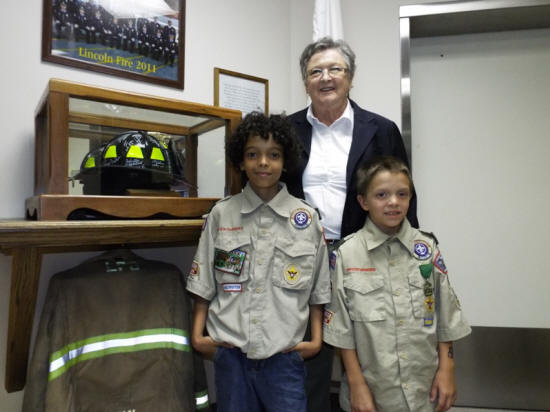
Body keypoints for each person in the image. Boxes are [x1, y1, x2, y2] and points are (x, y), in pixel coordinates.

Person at [285, 36, 419, 412]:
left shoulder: (381, 129)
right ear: (305, 81)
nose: (326, 77)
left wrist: (410, 256)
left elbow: (403, 193)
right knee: (307, 355)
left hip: (364, 256)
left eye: (335, 69)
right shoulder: (287, 129)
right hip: (302, 259)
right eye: (316, 71)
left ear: (351, 77)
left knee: (370, 352)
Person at [186, 112, 331, 412]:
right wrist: (198, 337)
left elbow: (319, 290)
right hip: (231, 355)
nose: (263, 163)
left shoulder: (306, 219)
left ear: (285, 161)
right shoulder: (222, 214)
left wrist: (316, 341)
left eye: (273, 155)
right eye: (253, 154)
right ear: (241, 161)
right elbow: (203, 283)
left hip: (284, 358)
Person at [323, 156, 471, 412]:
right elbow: (341, 329)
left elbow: (446, 314)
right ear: (363, 202)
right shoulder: (347, 254)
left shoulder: (427, 248)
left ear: (410, 198)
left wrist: (447, 369)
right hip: (373, 392)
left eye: (402, 194)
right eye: (381, 195)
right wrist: (356, 384)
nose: (393, 202)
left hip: (424, 390)